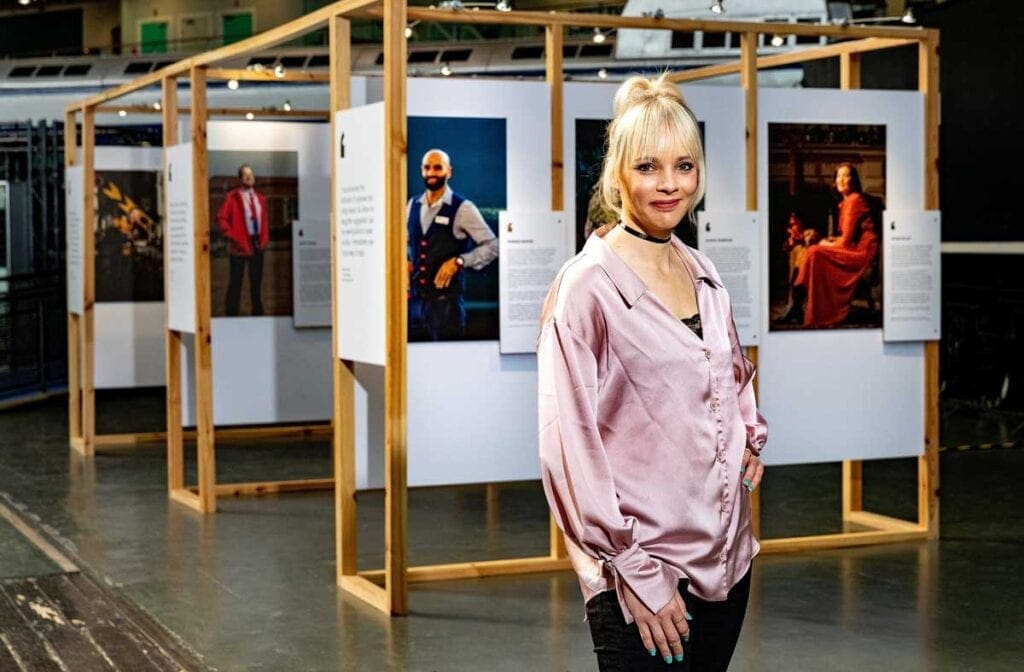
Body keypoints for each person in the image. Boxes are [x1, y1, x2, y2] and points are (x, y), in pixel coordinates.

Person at [537, 74, 768, 671]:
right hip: (642, 574)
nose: (669, 185)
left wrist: (749, 438)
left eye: (684, 166)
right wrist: (635, 571)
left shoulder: (702, 271)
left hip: (726, 563)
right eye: (648, 167)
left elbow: (732, 375)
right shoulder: (586, 287)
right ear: (618, 175)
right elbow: (570, 447)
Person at [407, 148, 498, 340]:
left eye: (437, 168)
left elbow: (492, 245)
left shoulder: (463, 208)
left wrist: (459, 261)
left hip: (446, 308)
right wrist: (406, 259)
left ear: (449, 172)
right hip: (415, 306)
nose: (431, 173)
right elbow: (407, 241)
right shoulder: (412, 204)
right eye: (427, 168)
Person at [792, 163, 878, 328]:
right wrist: (829, 241)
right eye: (838, 176)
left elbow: (845, 242)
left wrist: (824, 243)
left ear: (853, 180)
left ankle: (813, 309)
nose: (841, 180)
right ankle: (802, 305)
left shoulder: (854, 200)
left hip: (863, 253)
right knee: (810, 251)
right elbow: (847, 236)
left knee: (815, 252)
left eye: (846, 176)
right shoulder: (846, 202)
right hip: (855, 247)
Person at [216, 164, 269, 316]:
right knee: (235, 283)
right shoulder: (232, 197)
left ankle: (258, 314)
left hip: (257, 244)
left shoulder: (260, 199)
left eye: (251, 174)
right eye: (245, 175)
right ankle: (231, 315)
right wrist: (231, 235)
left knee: (256, 283)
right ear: (240, 179)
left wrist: (264, 240)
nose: (249, 177)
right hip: (238, 245)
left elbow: (264, 221)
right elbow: (221, 218)